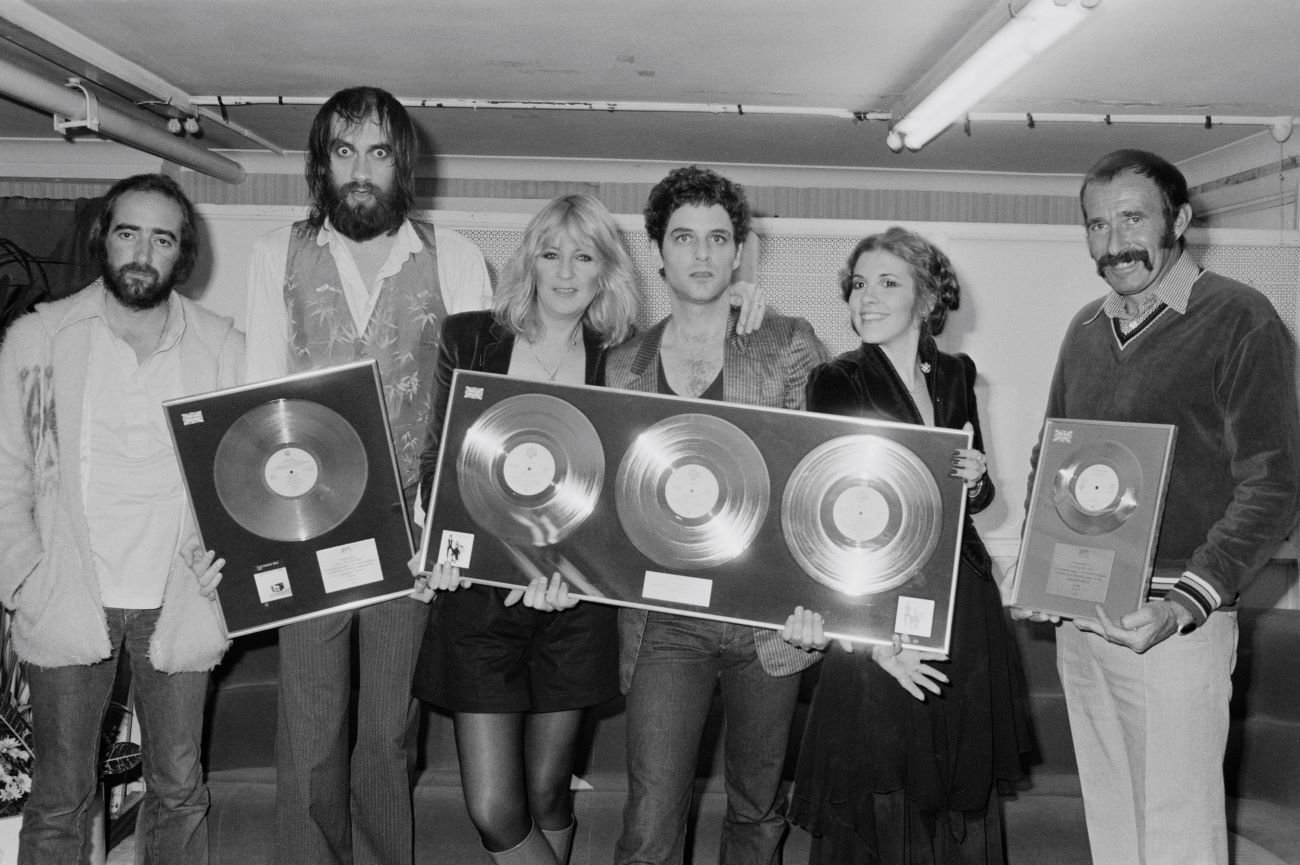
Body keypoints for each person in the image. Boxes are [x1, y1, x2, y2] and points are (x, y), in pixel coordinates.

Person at [1015, 149, 1299, 865]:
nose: (1114, 244)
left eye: (1133, 218)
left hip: (1173, 625)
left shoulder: (1241, 317)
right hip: (1084, 620)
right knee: (1114, 830)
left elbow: (1275, 482)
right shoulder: (1085, 328)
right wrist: (1038, 565)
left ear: (1179, 219)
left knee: (1177, 839)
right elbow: (1052, 459)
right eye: (1096, 225)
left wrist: (1183, 604)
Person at [243, 86, 493, 865]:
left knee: (388, 731)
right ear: (321, 163)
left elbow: (472, 416)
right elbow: (257, 397)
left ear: (401, 165)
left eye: (378, 152)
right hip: (307, 526)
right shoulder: (271, 253)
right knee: (309, 729)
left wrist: (449, 537)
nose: (360, 169)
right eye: (343, 151)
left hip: (411, 530)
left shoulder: (452, 257)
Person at [0, 173, 238, 864]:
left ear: (181, 254)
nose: (142, 250)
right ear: (104, 237)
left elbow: (245, 468)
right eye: (128, 231)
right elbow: (7, 467)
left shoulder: (223, 345)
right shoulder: (38, 339)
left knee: (180, 787)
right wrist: (24, 578)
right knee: (59, 795)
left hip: (181, 598)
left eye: (162, 238)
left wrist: (227, 561)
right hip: (70, 594)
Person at [781, 227, 1029, 864]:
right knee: (882, 791)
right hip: (881, 611)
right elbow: (829, 527)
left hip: (964, 604)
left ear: (926, 299)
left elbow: (973, 500)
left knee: (954, 794)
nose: (866, 297)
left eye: (887, 282)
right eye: (859, 284)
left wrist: (977, 480)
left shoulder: (954, 373)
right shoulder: (835, 381)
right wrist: (872, 641)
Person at [607, 165, 829, 865]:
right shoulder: (623, 363)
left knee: (758, 811)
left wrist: (813, 598)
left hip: (766, 618)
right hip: (663, 619)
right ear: (658, 251)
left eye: (717, 238)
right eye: (683, 238)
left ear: (739, 252)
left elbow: (816, 480)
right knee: (649, 820)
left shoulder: (787, 340)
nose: (701, 254)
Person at [409, 193, 637, 865]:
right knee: (494, 809)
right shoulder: (470, 336)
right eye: (550, 253)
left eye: (584, 255)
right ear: (529, 262)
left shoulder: (621, 356)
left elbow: (626, 487)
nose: (566, 271)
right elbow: (438, 457)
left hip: (574, 604)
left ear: (605, 271)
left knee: (546, 795)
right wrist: (441, 542)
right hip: (479, 597)